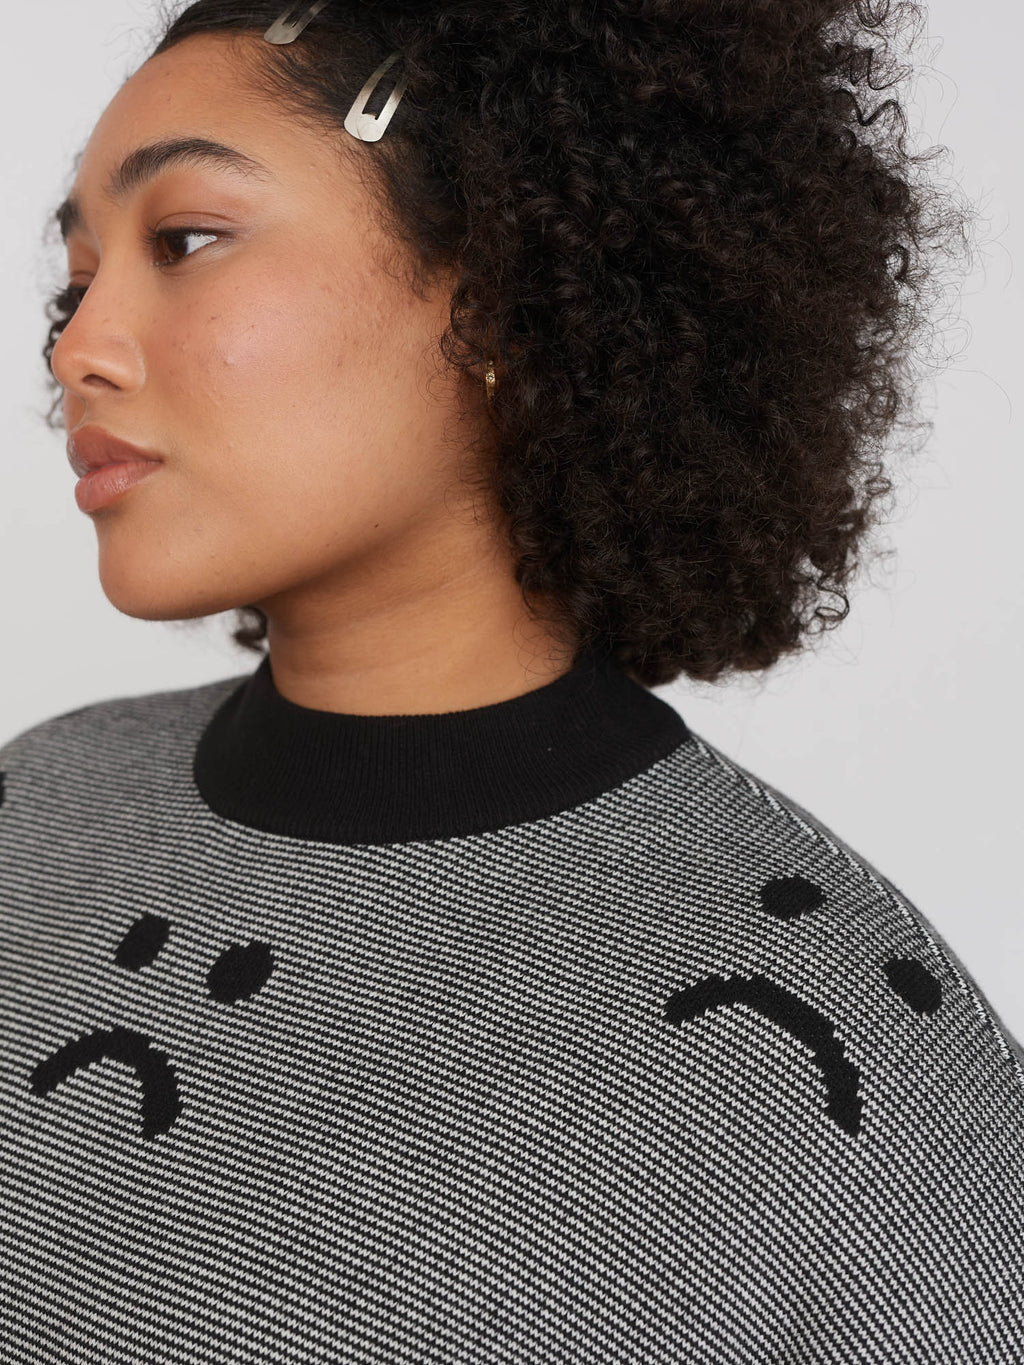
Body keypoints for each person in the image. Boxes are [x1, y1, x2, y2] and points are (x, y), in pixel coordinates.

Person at [2, 1, 1021, 1360]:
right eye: (76, 280)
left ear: (495, 291)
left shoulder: (842, 1054)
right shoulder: (37, 805)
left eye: (184, 240)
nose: (77, 346)